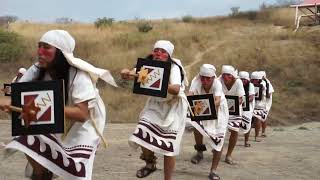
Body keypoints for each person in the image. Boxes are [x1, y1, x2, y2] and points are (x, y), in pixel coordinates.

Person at [0, 30, 117, 180]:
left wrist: (42, 108)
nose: (40, 51)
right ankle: (41, 174)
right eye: (39, 46)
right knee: (25, 130)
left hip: (82, 125)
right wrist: (10, 106)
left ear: (60, 53)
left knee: (75, 172)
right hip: (54, 118)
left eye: (47, 47)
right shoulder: (36, 70)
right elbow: (20, 101)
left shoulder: (79, 75)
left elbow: (82, 114)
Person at [120, 40, 188, 180]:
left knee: (169, 148)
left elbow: (175, 89)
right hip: (155, 104)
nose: (158, 53)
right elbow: (131, 73)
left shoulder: (174, 68)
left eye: (163, 52)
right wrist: (126, 73)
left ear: (168, 55)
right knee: (142, 133)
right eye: (156, 50)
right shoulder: (147, 63)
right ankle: (150, 163)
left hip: (174, 106)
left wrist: (152, 79)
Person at [187, 64, 229, 180]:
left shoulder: (217, 84)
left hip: (219, 110)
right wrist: (190, 102)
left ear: (213, 78)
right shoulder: (196, 81)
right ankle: (199, 153)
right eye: (202, 78)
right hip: (202, 105)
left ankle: (213, 171)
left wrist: (203, 104)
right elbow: (190, 95)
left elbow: (217, 101)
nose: (204, 80)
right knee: (196, 127)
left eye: (208, 78)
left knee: (218, 139)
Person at [218, 65, 245, 165]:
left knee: (234, 131)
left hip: (235, 110)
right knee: (219, 131)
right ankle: (217, 150)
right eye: (224, 75)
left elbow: (241, 98)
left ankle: (228, 155)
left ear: (232, 76)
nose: (225, 77)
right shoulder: (218, 81)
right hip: (221, 109)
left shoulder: (238, 82)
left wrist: (238, 101)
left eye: (228, 75)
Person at [238, 71, 255, 147]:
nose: (242, 81)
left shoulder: (251, 85)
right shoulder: (237, 84)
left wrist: (242, 100)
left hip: (248, 108)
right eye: (241, 79)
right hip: (237, 107)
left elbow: (251, 98)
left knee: (247, 123)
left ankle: (246, 141)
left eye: (244, 79)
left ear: (247, 80)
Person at [250, 71, 267, 142]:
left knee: (257, 119)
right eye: (253, 79)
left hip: (259, 105)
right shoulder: (249, 84)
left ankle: (257, 135)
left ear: (259, 80)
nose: (254, 81)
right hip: (250, 104)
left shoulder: (263, 84)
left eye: (256, 80)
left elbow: (264, 93)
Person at [259, 71, 274, 137]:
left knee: (263, 117)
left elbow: (269, 94)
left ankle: (263, 132)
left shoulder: (268, 83)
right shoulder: (257, 81)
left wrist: (263, 91)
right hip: (259, 102)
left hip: (266, 103)